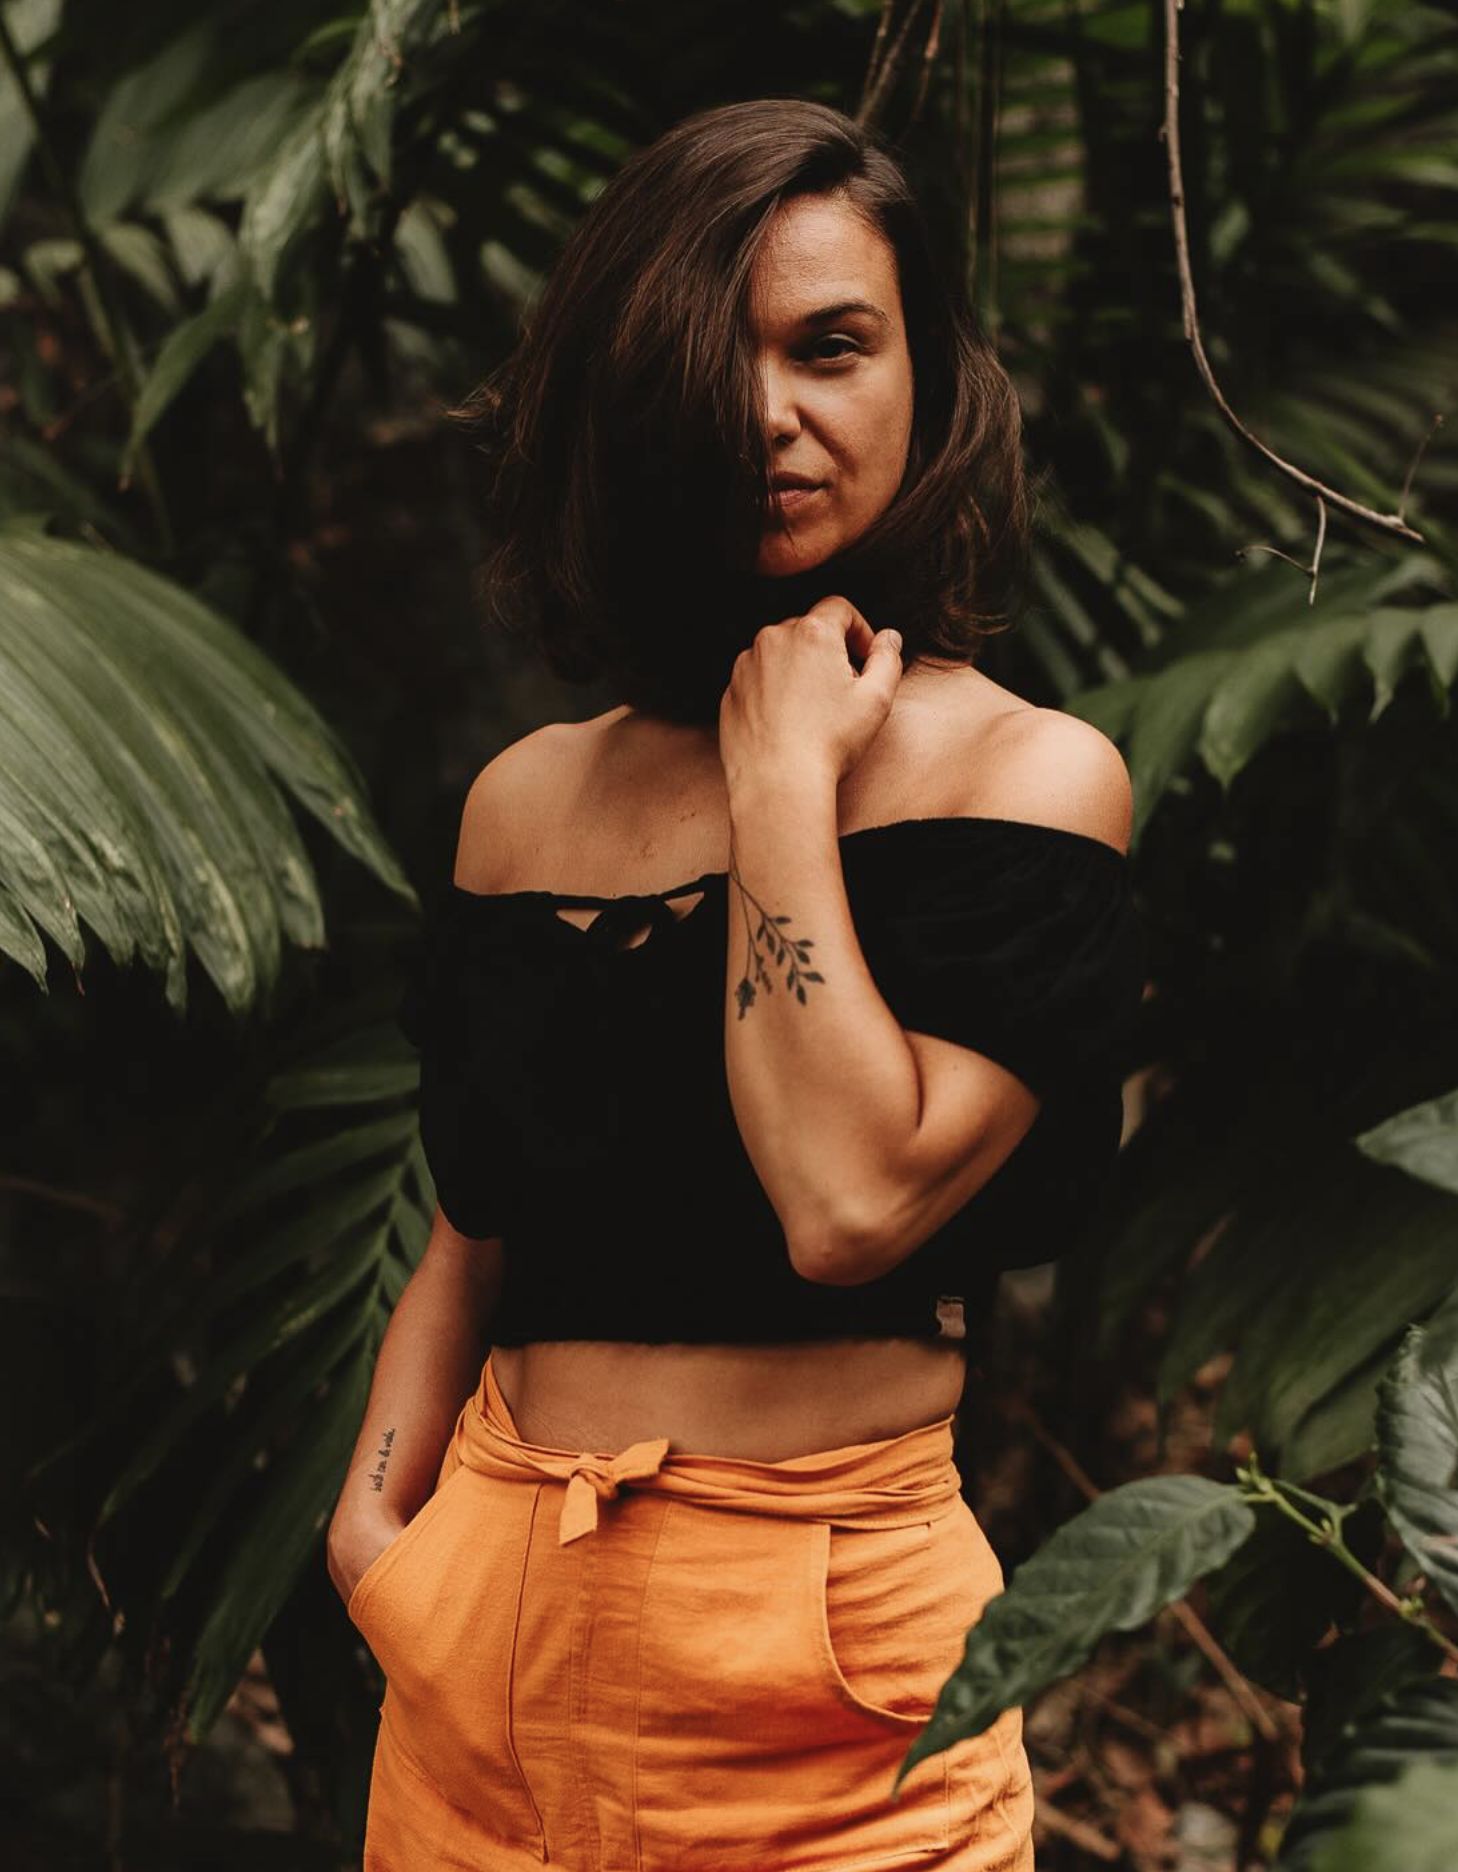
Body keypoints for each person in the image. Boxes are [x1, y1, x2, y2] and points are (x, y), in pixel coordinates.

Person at [327, 97, 1144, 1872]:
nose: (773, 413)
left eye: (832, 346)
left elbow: (846, 1205)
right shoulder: (522, 801)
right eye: (720, 357)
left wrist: (784, 785)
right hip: (482, 1622)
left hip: (825, 1674)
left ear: (925, 370)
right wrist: (378, 1528)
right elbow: (471, 1234)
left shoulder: (1025, 778)